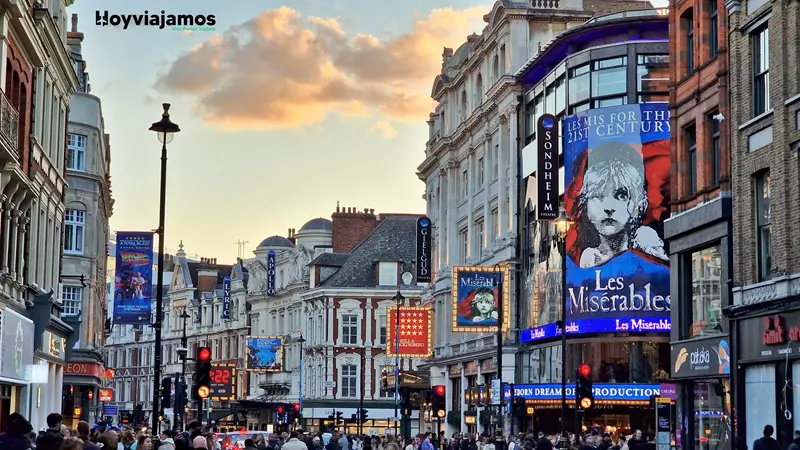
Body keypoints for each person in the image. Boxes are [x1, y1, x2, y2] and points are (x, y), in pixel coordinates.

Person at [572, 142, 666, 268]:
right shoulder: (586, 258)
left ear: (637, 202)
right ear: (585, 203)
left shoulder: (647, 245)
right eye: (598, 195)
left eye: (621, 196)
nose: (609, 207)